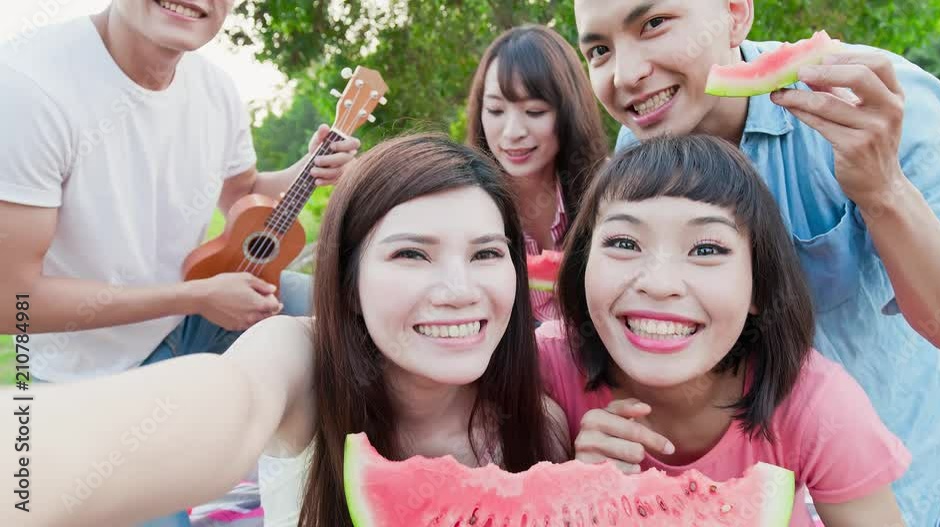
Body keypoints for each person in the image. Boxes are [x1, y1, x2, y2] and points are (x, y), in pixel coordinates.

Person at [0, 134, 570, 527]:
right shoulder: (299, 359)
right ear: (348, 282)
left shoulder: (542, 427)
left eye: (487, 254)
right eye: (412, 255)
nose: (458, 290)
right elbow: (232, 402)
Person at [572, 1, 940, 524]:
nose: (626, 74)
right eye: (599, 49)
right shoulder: (646, 133)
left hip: (891, 475)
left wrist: (882, 189)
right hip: (751, 480)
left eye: (654, 24)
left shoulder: (867, 98)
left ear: (735, 13)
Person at [0, 2, 359, 525]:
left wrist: (310, 168)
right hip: (92, 374)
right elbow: (13, 303)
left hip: (194, 321)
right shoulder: (30, 87)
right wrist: (195, 297)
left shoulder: (214, 89)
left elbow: (243, 195)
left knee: (352, 309)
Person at [539, 134, 911, 526]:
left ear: (758, 285)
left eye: (706, 250)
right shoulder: (543, 371)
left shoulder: (818, 405)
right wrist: (570, 500)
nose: (660, 283)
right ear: (582, 266)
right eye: (625, 242)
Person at [466, 24, 608, 322]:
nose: (512, 132)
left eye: (534, 112)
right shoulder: (465, 202)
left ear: (570, 113)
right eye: (495, 110)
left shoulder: (610, 190)